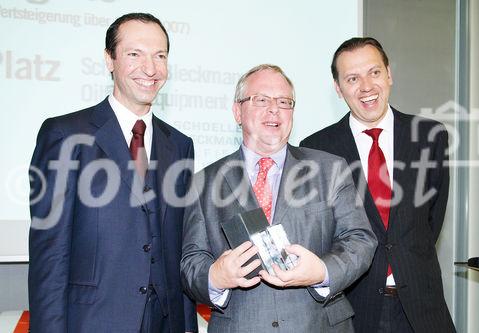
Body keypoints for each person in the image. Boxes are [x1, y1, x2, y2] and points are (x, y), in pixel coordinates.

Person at [29, 13, 197, 333]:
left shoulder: (180, 145)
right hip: (94, 322)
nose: (150, 68)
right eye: (135, 54)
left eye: (160, 56)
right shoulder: (65, 135)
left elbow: (179, 246)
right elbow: (50, 256)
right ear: (109, 60)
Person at [180, 64, 377, 332]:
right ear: (237, 111)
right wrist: (215, 276)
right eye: (261, 100)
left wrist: (321, 271)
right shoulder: (203, 183)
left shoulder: (330, 169)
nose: (274, 109)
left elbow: (361, 240)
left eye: (284, 102)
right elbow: (191, 262)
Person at [300, 37, 456, 332]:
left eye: (374, 72)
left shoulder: (429, 137)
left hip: (422, 309)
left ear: (389, 74)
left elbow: (431, 220)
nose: (367, 86)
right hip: (353, 312)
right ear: (338, 88)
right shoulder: (316, 149)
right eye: (352, 78)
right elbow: (320, 234)